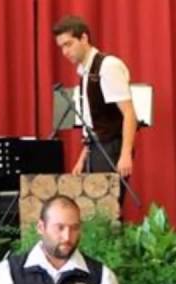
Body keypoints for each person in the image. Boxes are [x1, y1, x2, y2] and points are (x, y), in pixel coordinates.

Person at [52, 15, 136, 177]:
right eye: (61, 47)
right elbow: (92, 124)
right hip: (95, 148)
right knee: (91, 202)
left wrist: (125, 154)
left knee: (107, 202)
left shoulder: (108, 66)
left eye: (68, 44)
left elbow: (129, 113)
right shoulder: (85, 71)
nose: (65, 52)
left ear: (84, 38)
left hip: (111, 147)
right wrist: (82, 158)